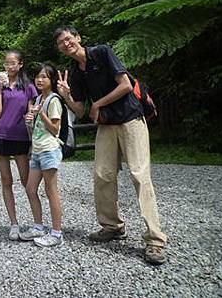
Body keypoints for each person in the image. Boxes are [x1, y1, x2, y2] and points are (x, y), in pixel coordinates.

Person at [53, 26, 167, 264]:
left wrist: (98, 104)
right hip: (107, 125)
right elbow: (80, 110)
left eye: (68, 38)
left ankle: (155, 240)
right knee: (102, 175)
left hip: (130, 119)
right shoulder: (76, 71)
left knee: (139, 175)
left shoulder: (102, 53)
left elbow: (125, 85)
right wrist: (65, 96)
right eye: (61, 42)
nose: (66, 44)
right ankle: (112, 226)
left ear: (78, 38)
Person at [0, 50, 38, 240]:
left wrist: (31, 115)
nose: (9, 66)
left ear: (20, 64)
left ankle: (37, 223)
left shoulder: (28, 87)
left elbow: (30, 113)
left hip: (20, 137)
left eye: (13, 63)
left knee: (27, 181)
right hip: (0, 135)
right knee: (6, 180)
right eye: (6, 63)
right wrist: (0, 89)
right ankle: (14, 223)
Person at [19, 63, 64, 247]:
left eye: (44, 76)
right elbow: (36, 127)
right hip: (37, 150)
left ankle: (56, 233)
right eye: (37, 76)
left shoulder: (53, 100)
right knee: (30, 189)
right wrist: (29, 119)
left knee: (50, 190)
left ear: (51, 79)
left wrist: (42, 115)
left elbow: (54, 129)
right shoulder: (37, 99)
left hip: (49, 150)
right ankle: (38, 227)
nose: (39, 80)